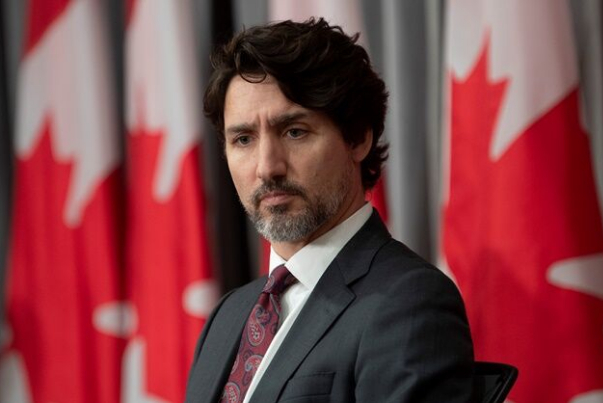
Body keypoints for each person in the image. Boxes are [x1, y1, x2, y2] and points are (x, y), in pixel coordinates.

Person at [185, 18, 474, 403]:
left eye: (294, 132)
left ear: (358, 138)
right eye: (243, 139)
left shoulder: (410, 303)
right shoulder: (226, 317)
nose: (267, 167)